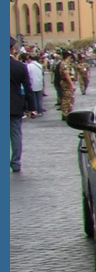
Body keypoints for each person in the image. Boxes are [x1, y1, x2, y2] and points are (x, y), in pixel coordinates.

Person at [11, 37, 33, 172]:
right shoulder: (20, 66)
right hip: (14, 105)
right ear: (12, 50)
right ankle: (15, 162)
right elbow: (28, 88)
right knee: (15, 135)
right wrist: (32, 108)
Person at [58, 50, 77, 120]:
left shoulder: (68, 63)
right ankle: (65, 113)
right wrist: (72, 84)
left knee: (70, 98)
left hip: (68, 82)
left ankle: (69, 112)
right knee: (67, 98)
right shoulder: (64, 64)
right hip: (66, 83)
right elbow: (66, 75)